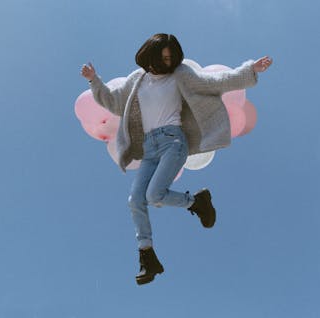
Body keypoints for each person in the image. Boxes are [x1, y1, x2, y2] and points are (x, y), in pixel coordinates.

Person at [81, 33, 272, 285]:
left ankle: (196, 202)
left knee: (154, 195)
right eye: (163, 58)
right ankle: (147, 257)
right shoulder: (137, 81)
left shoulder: (180, 75)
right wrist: (95, 81)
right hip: (150, 148)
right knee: (135, 200)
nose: (167, 63)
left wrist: (249, 70)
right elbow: (115, 102)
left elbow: (214, 81)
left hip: (173, 141)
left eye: (171, 58)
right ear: (150, 55)